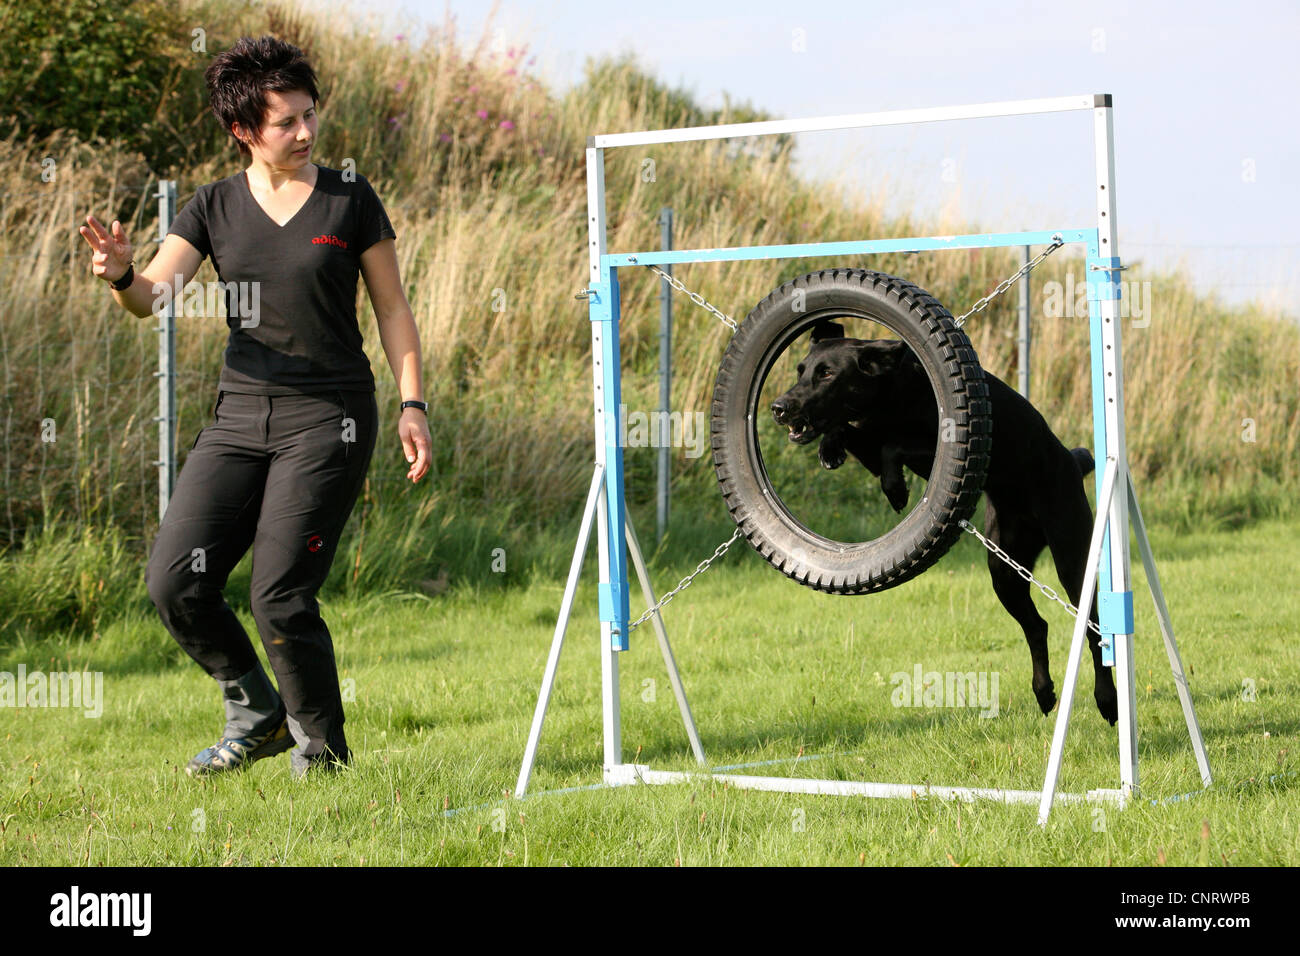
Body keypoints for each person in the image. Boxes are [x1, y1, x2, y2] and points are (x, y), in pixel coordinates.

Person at [77, 35, 430, 778]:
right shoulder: (212, 206)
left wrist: (412, 402)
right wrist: (121, 274)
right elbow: (153, 299)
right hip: (240, 416)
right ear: (243, 130)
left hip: (328, 416)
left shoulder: (349, 199)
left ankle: (323, 754)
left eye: (309, 116)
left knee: (279, 593)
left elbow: (393, 308)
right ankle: (257, 712)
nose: (306, 133)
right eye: (286, 122)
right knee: (175, 581)